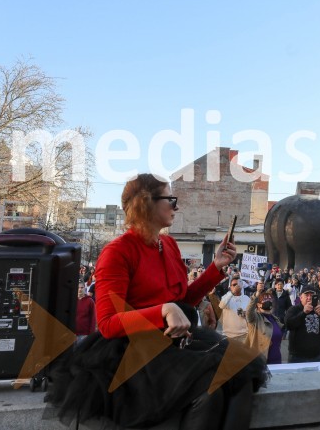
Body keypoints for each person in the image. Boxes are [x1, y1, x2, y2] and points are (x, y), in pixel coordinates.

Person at [46, 173, 264, 430]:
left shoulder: (169, 245)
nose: (177, 206)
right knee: (210, 390)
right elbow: (107, 323)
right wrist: (163, 310)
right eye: (171, 199)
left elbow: (182, 302)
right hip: (134, 353)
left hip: (173, 343)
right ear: (146, 203)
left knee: (241, 377)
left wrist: (215, 268)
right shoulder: (117, 252)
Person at [285, 285, 320, 363]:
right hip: (297, 356)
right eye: (307, 295)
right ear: (301, 297)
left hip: (317, 356)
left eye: (312, 295)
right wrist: (303, 313)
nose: (309, 298)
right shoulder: (294, 309)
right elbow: (289, 325)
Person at [245, 282, 283, 365]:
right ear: (258, 304)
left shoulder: (275, 319)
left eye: (270, 300)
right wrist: (257, 293)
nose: (268, 302)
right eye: (265, 300)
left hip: (276, 361)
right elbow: (248, 312)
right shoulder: (255, 318)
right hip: (261, 362)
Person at [219, 276, 250, 343]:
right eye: (234, 285)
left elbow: (251, 315)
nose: (236, 286)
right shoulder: (226, 297)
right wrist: (232, 293)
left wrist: (245, 314)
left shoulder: (247, 298)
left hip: (243, 335)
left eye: (238, 284)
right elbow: (221, 306)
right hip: (228, 335)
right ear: (230, 287)